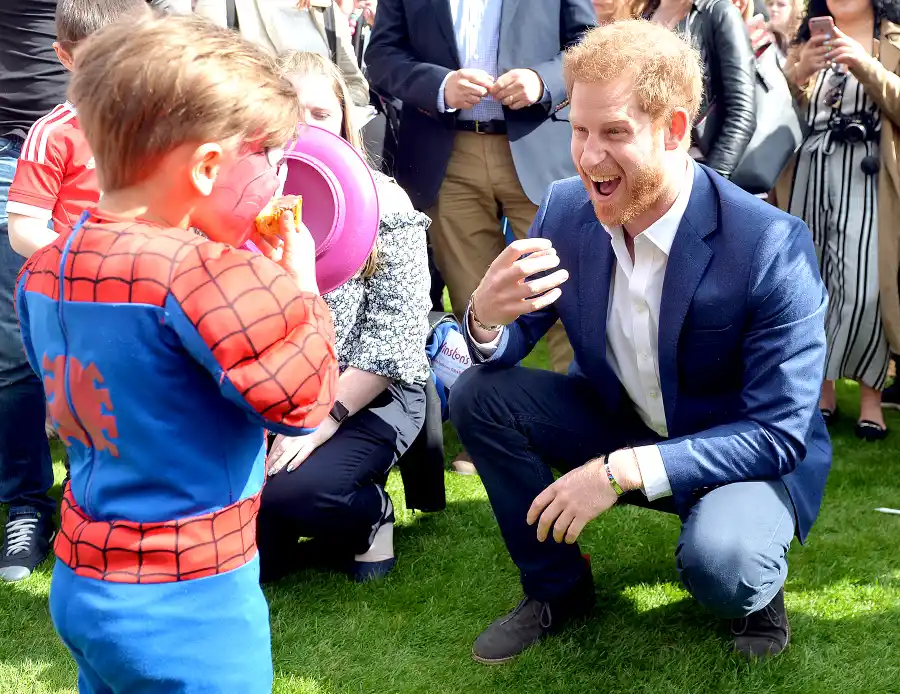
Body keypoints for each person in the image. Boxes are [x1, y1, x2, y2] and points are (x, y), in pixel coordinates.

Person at [450, 19, 831, 664]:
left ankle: (755, 581)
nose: (588, 156)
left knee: (726, 565)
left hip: (737, 446)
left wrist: (621, 472)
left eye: (615, 133)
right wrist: (484, 319)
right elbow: (512, 341)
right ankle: (556, 591)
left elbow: (779, 430)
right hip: (624, 421)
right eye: (578, 130)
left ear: (675, 129)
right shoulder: (567, 209)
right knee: (479, 394)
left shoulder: (769, 244)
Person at [16, 15, 338, 692]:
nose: (272, 176)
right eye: (264, 157)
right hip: (190, 602)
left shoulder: (42, 268)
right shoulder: (206, 275)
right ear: (208, 166)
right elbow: (303, 400)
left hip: (84, 579)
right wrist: (302, 287)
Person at [257, 51, 431, 583]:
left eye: (320, 114)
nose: (306, 128)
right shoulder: (238, 201)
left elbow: (395, 334)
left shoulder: (385, 202)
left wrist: (320, 422)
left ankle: (370, 515)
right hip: (269, 393)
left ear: (344, 121)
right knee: (252, 534)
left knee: (300, 491)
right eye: (291, 114)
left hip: (368, 389)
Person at [365, 0, 597, 376]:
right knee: (477, 303)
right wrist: (437, 85)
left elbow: (588, 44)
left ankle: (576, 417)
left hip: (538, 150)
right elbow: (380, 56)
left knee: (565, 294)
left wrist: (543, 81)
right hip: (448, 156)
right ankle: (495, 417)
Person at [772, 0, 900, 440]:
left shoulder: (894, 37)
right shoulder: (804, 37)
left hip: (868, 174)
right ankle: (821, 392)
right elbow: (776, 105)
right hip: (809, 170)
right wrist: (797, 73)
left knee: (866, 287)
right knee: (810, 281)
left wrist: (864, 64)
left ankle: (870, 398)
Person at [7, 0, 148, 259]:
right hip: (84, 286)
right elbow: (24, 229)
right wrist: (87, 259)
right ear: (65, 56)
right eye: (97, 61)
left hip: (160, 278)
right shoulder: (53, 133)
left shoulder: (164, 124)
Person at [637, 0, 757, 179]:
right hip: (647, 166)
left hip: (696, 167)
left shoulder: (719, 12)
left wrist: (711, 182)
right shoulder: (644, 15)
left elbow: (742, 111)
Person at [193, 0, 371, 107]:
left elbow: (356, 87)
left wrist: (326, 109)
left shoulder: (327, 9)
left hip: (316, 150)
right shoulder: (223, 4)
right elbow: (204, 83)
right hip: (252, 145)